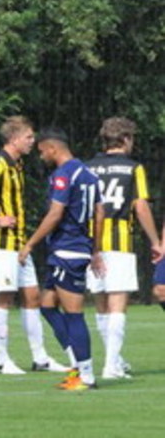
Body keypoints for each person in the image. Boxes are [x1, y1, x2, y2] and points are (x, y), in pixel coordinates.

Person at [0, 116, 67, 374]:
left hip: (19, 244)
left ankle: (40, 358)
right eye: (28, 137)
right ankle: (2, 361)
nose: (32, 142)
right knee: (4, 298)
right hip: (0, 245)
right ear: (13, 139)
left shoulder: (17, 165)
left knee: (32, 296)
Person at [18, 128, 103, 391]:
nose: (41, 156)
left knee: (74, 314)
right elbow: (100, 213)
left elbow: (55, 214)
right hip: (72, 250)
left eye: (42, 151)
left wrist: (30, 244)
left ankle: (86, 375)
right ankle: (76, 364)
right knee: (46, 305)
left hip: (68, 250)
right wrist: (96, 250)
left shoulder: (64, 175)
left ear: (52, 148)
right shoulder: (89, 174)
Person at [85, 117, 162, 379]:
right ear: (126, 139)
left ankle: (114, 360)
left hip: (91, 243)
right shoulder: (133, 168)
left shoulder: (88, 168)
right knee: (118, 304)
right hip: (119, 243)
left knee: (101, 304)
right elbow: (140, 206)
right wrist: (155, 242)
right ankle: (111, 366)